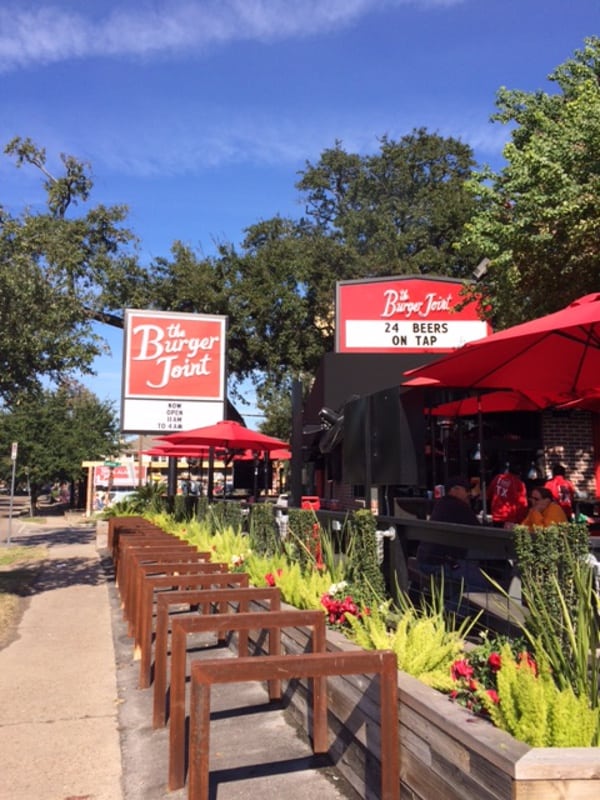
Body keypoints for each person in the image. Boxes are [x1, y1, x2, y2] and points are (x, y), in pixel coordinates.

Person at [416, 476, 486, 594]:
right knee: (482, 586)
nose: (468, 494)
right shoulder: (458, 506)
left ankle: (453, 607)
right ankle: (453, 611)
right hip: (441, 563)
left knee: (470, 570)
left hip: (426, 560)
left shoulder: (442, 503)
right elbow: (480, 532)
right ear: (455, 490)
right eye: (466, 490)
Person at [486, 464, 528, 528]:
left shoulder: (498, 478)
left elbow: (489, 493)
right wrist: (521, 521)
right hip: (509, 519)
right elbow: (522, 504)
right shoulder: (519, 484)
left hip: (496, 516)